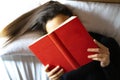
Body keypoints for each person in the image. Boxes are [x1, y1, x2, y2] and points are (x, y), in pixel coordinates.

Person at [1, 1, 120, 80]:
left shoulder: (106, 44)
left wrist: (107, 64)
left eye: (65, 28)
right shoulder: (56, 63)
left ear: (75, 20)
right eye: (55, 33)